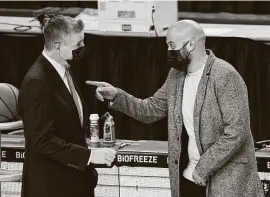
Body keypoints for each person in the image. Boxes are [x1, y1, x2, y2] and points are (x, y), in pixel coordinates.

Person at [86, 20, 265, 197]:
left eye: (172, 45)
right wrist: (117, 96)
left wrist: (204, 168)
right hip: (189, 179)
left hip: (227, 183)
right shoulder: (176, 75)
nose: (169, 51)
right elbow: (151, 109)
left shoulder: (225, 75)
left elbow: (236, 131)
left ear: (191, 44)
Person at [18, 15, 116, 197]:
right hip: (51, 187)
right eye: (77, 45)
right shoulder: (36, 82)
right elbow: (41, 140)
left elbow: (70, 122)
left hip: (74, 182)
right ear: (58, 47)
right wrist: (88, 156)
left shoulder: (65, 69)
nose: (82, 49)